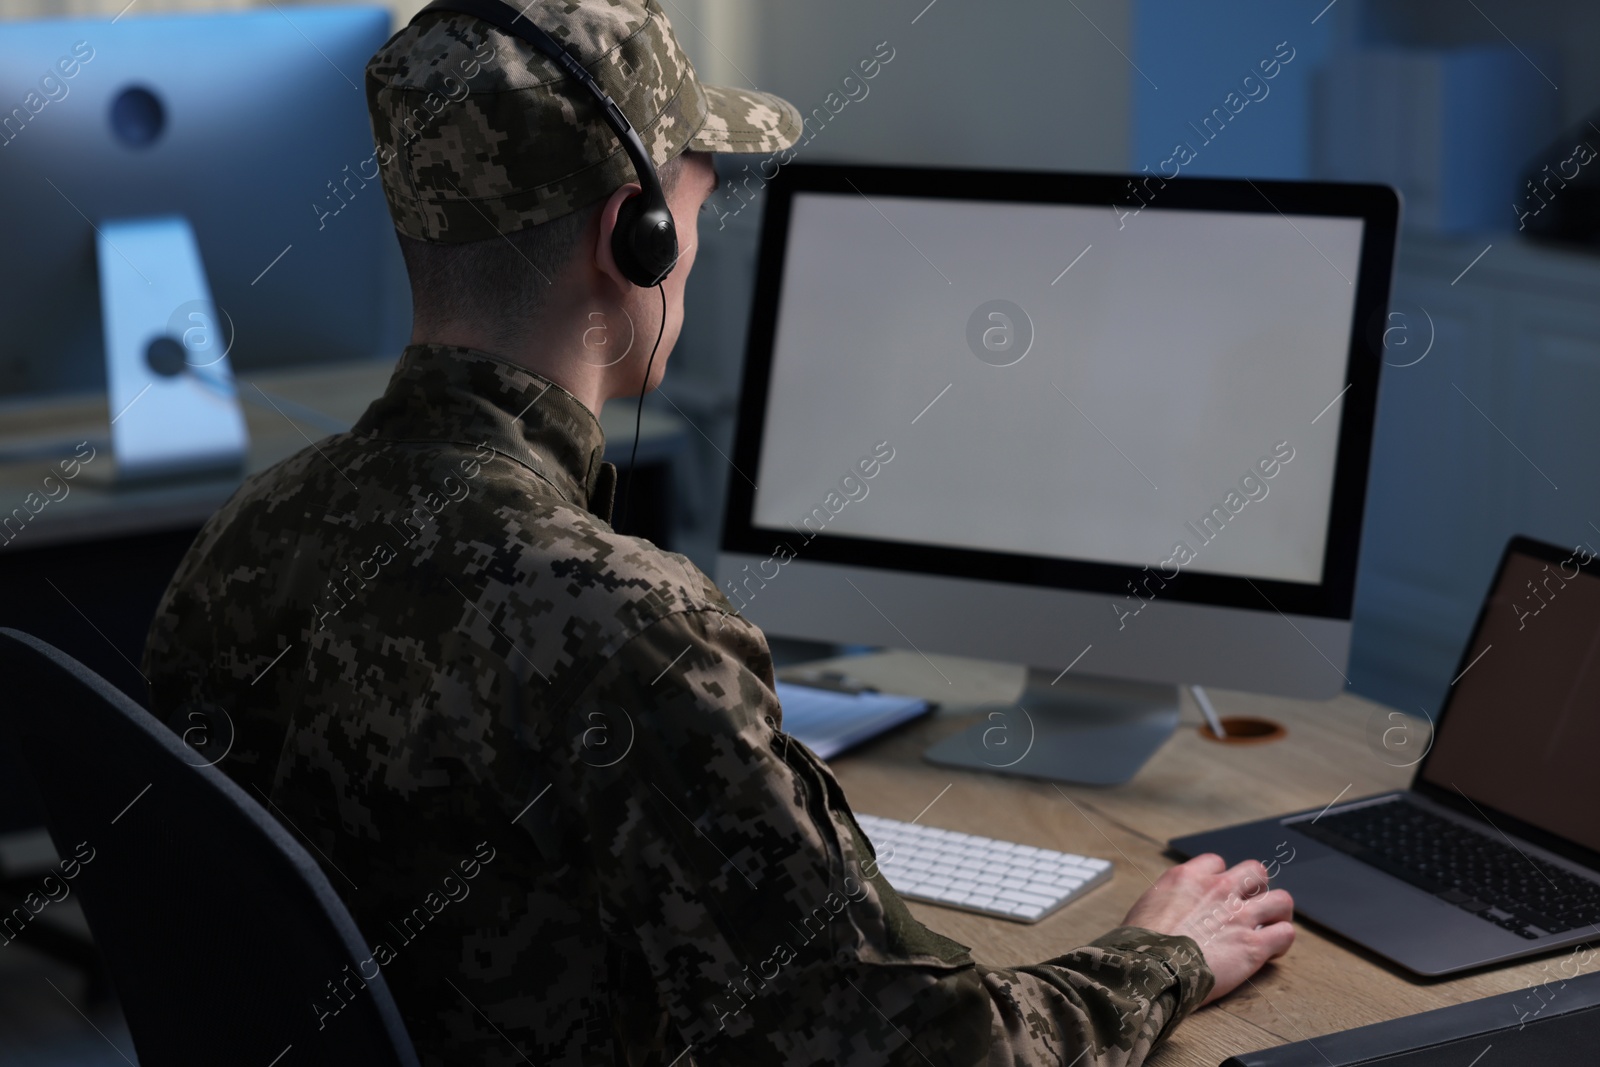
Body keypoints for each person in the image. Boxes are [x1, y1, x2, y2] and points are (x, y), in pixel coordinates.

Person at [142, 2, 1294, 1063]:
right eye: (695, 203)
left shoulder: (241, 538)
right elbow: (917, 1049)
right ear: (630, 237)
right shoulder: (629, 629)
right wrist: (1162, 952)